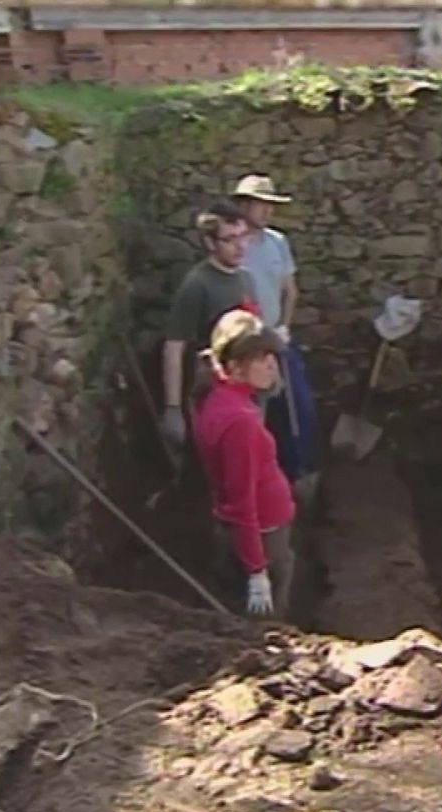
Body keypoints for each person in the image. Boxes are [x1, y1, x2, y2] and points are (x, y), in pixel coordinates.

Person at [190, 308, 296, 619]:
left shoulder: (220, 398)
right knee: (266, 625)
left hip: (259, 531)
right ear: (235, 366)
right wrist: (257, 570)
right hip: (264, 537)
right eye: (262, 359)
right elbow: (241, 503)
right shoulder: (240, 423)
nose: (272, 365)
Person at [230, 174, 320, 501]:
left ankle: (298, 472)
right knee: (254, 417)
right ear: (243, 206)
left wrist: (284, 326)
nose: (268, 212)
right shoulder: (234, 246)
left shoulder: (277, 242)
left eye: (272, 206)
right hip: (246, 345)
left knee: (299, 406)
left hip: (277, 339)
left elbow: (289, 291)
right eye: (262, 205)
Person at [160, 202, 259, 460]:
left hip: (250, 388)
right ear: (210, 243)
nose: (240, 246)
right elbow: (174, 346)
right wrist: (173, 408)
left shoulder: (246, 278)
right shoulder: (197, 285)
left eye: (244, 236)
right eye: (230, 239)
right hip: (215, 394)